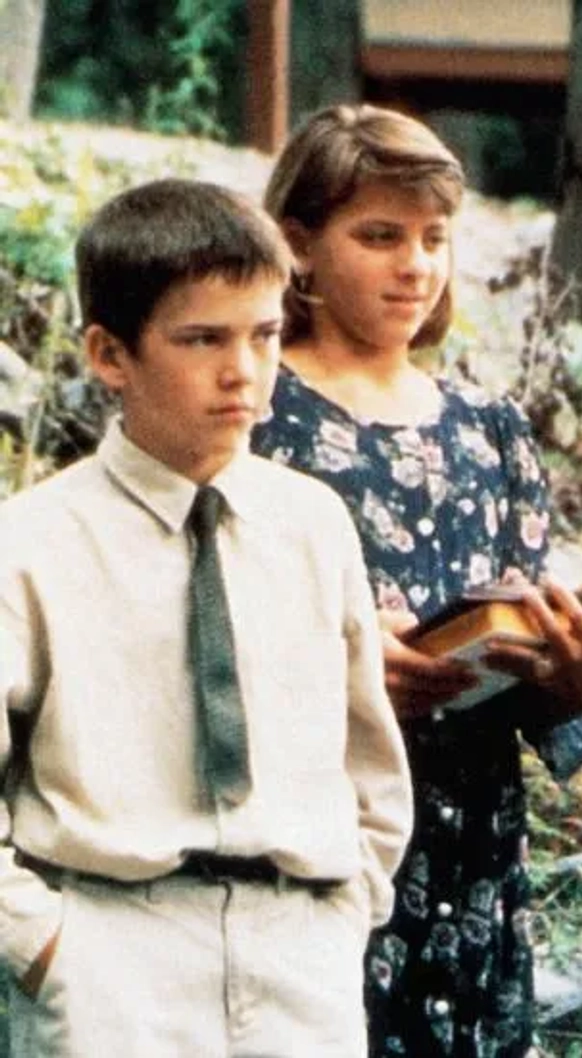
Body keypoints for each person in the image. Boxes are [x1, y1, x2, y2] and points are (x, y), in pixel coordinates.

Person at [0, 179, 413, 1055]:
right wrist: (45, 948)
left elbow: (366, 751)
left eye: (265, 336)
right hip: (113, 954)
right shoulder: (29, 546)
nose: (243, 371)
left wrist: (346, 914)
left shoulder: (312, 525)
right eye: (203, 340)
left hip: (300, 961)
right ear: (111, 355)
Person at [253, 105, 582, 1058]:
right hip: (314, 838)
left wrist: (573, 677)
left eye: (433, 238)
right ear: (299, 245)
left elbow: (530, 630)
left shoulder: (488, 427)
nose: (415, 264)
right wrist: (339, 668)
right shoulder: (256, 412)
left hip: (471, 849)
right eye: (379, 236)